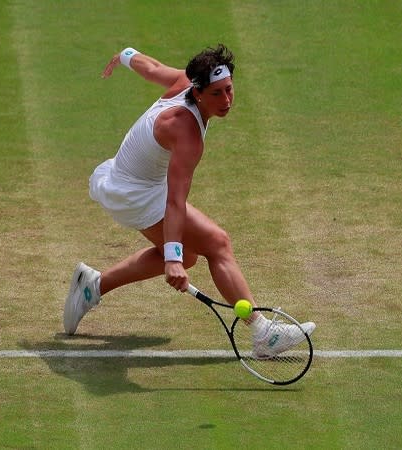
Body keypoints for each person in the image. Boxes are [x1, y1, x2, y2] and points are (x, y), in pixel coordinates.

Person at [63, 44, 315, 356]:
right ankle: (262, 332)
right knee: (216, 243)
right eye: (216, 94)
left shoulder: (185, 80)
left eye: (229, 90)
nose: (226, 101)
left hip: (125, 178)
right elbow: (175, 202)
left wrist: (125, 56)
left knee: (190, 257)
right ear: (197, 93)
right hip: (134, 194)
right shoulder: (186, 134)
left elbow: (152, 68)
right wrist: (171, 259)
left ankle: (93, 286)